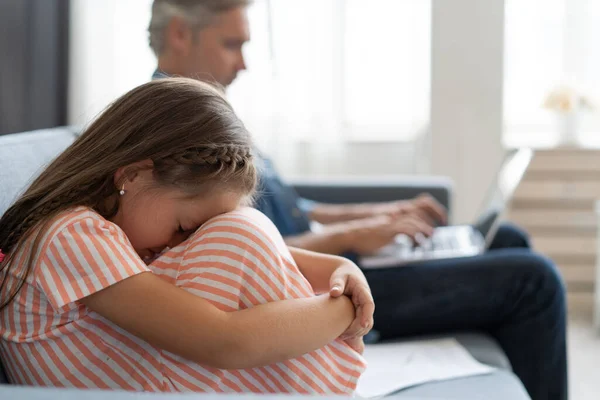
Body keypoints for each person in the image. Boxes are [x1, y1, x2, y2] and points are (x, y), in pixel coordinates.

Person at [147, 1, 568, 399]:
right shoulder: (172, 131)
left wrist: (379, 215)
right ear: (181, 34)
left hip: (326, 260)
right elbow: (227, 251)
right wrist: (355, 234)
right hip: (309, 284)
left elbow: (293, 209)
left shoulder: (209, 114)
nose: (243, 63)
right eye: (231, 44)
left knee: (506, 238)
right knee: (536, 281)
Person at [0, 78, 372, 393]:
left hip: (148, 383)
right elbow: (225, 342)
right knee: (241, 232)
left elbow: (295, 261)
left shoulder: (96, 231)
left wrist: (343, 268)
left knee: (243, 227)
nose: (183, 244)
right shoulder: (71, 235)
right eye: (185, 228)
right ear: (132, 175)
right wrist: (344, 310)